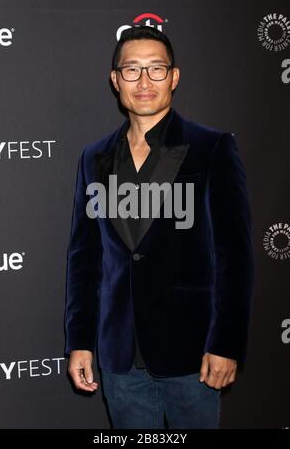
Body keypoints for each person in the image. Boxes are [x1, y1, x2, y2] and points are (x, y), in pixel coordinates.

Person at [64, 25, 254, 429]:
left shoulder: (211, 148)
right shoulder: (93, 157)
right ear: (115, 80)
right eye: (132, 70)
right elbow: (85, 259)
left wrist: (225, 343)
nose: (144, 81)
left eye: (156, 69)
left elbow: (234, 257)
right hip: (118, 358)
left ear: (175, 77)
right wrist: (80, 341)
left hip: (193, 356)